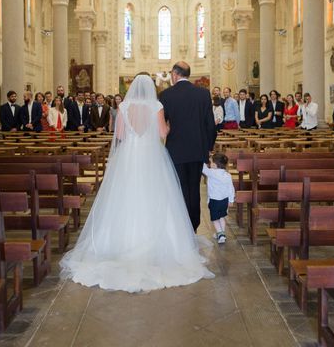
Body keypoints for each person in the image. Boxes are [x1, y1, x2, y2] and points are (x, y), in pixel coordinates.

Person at [60, 74, 214, 292]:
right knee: (156, 196)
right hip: (152, 155)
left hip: (129, 156)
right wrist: (167, 127)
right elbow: (163, 133)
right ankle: (160, 244)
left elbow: (120, 134)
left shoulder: (124, 106)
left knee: (125, 197)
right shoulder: (156, 105)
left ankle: (121, 243)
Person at [159, 61, 217, 232]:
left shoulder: (166, 95)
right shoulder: (203, 93)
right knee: (194, 187)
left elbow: (164, 125)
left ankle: (181, 226)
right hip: (197, 149)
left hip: (176, 150)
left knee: (180, 187)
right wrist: (208, 147)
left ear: (175, 74)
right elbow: (210, 125)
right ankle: (193, 225)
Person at [202, 153, 235, 244]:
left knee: (215, 219)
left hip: (215, 201)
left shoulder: (212, 172)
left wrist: (202, 158)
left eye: (211, 162)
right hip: (225, 201)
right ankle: (221, 233)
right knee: (221, 217)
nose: (209, 163)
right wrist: (231, 200)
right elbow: (231, 188)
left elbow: (203, 169)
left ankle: (220, 235)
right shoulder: (228, 175)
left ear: (215, 165)